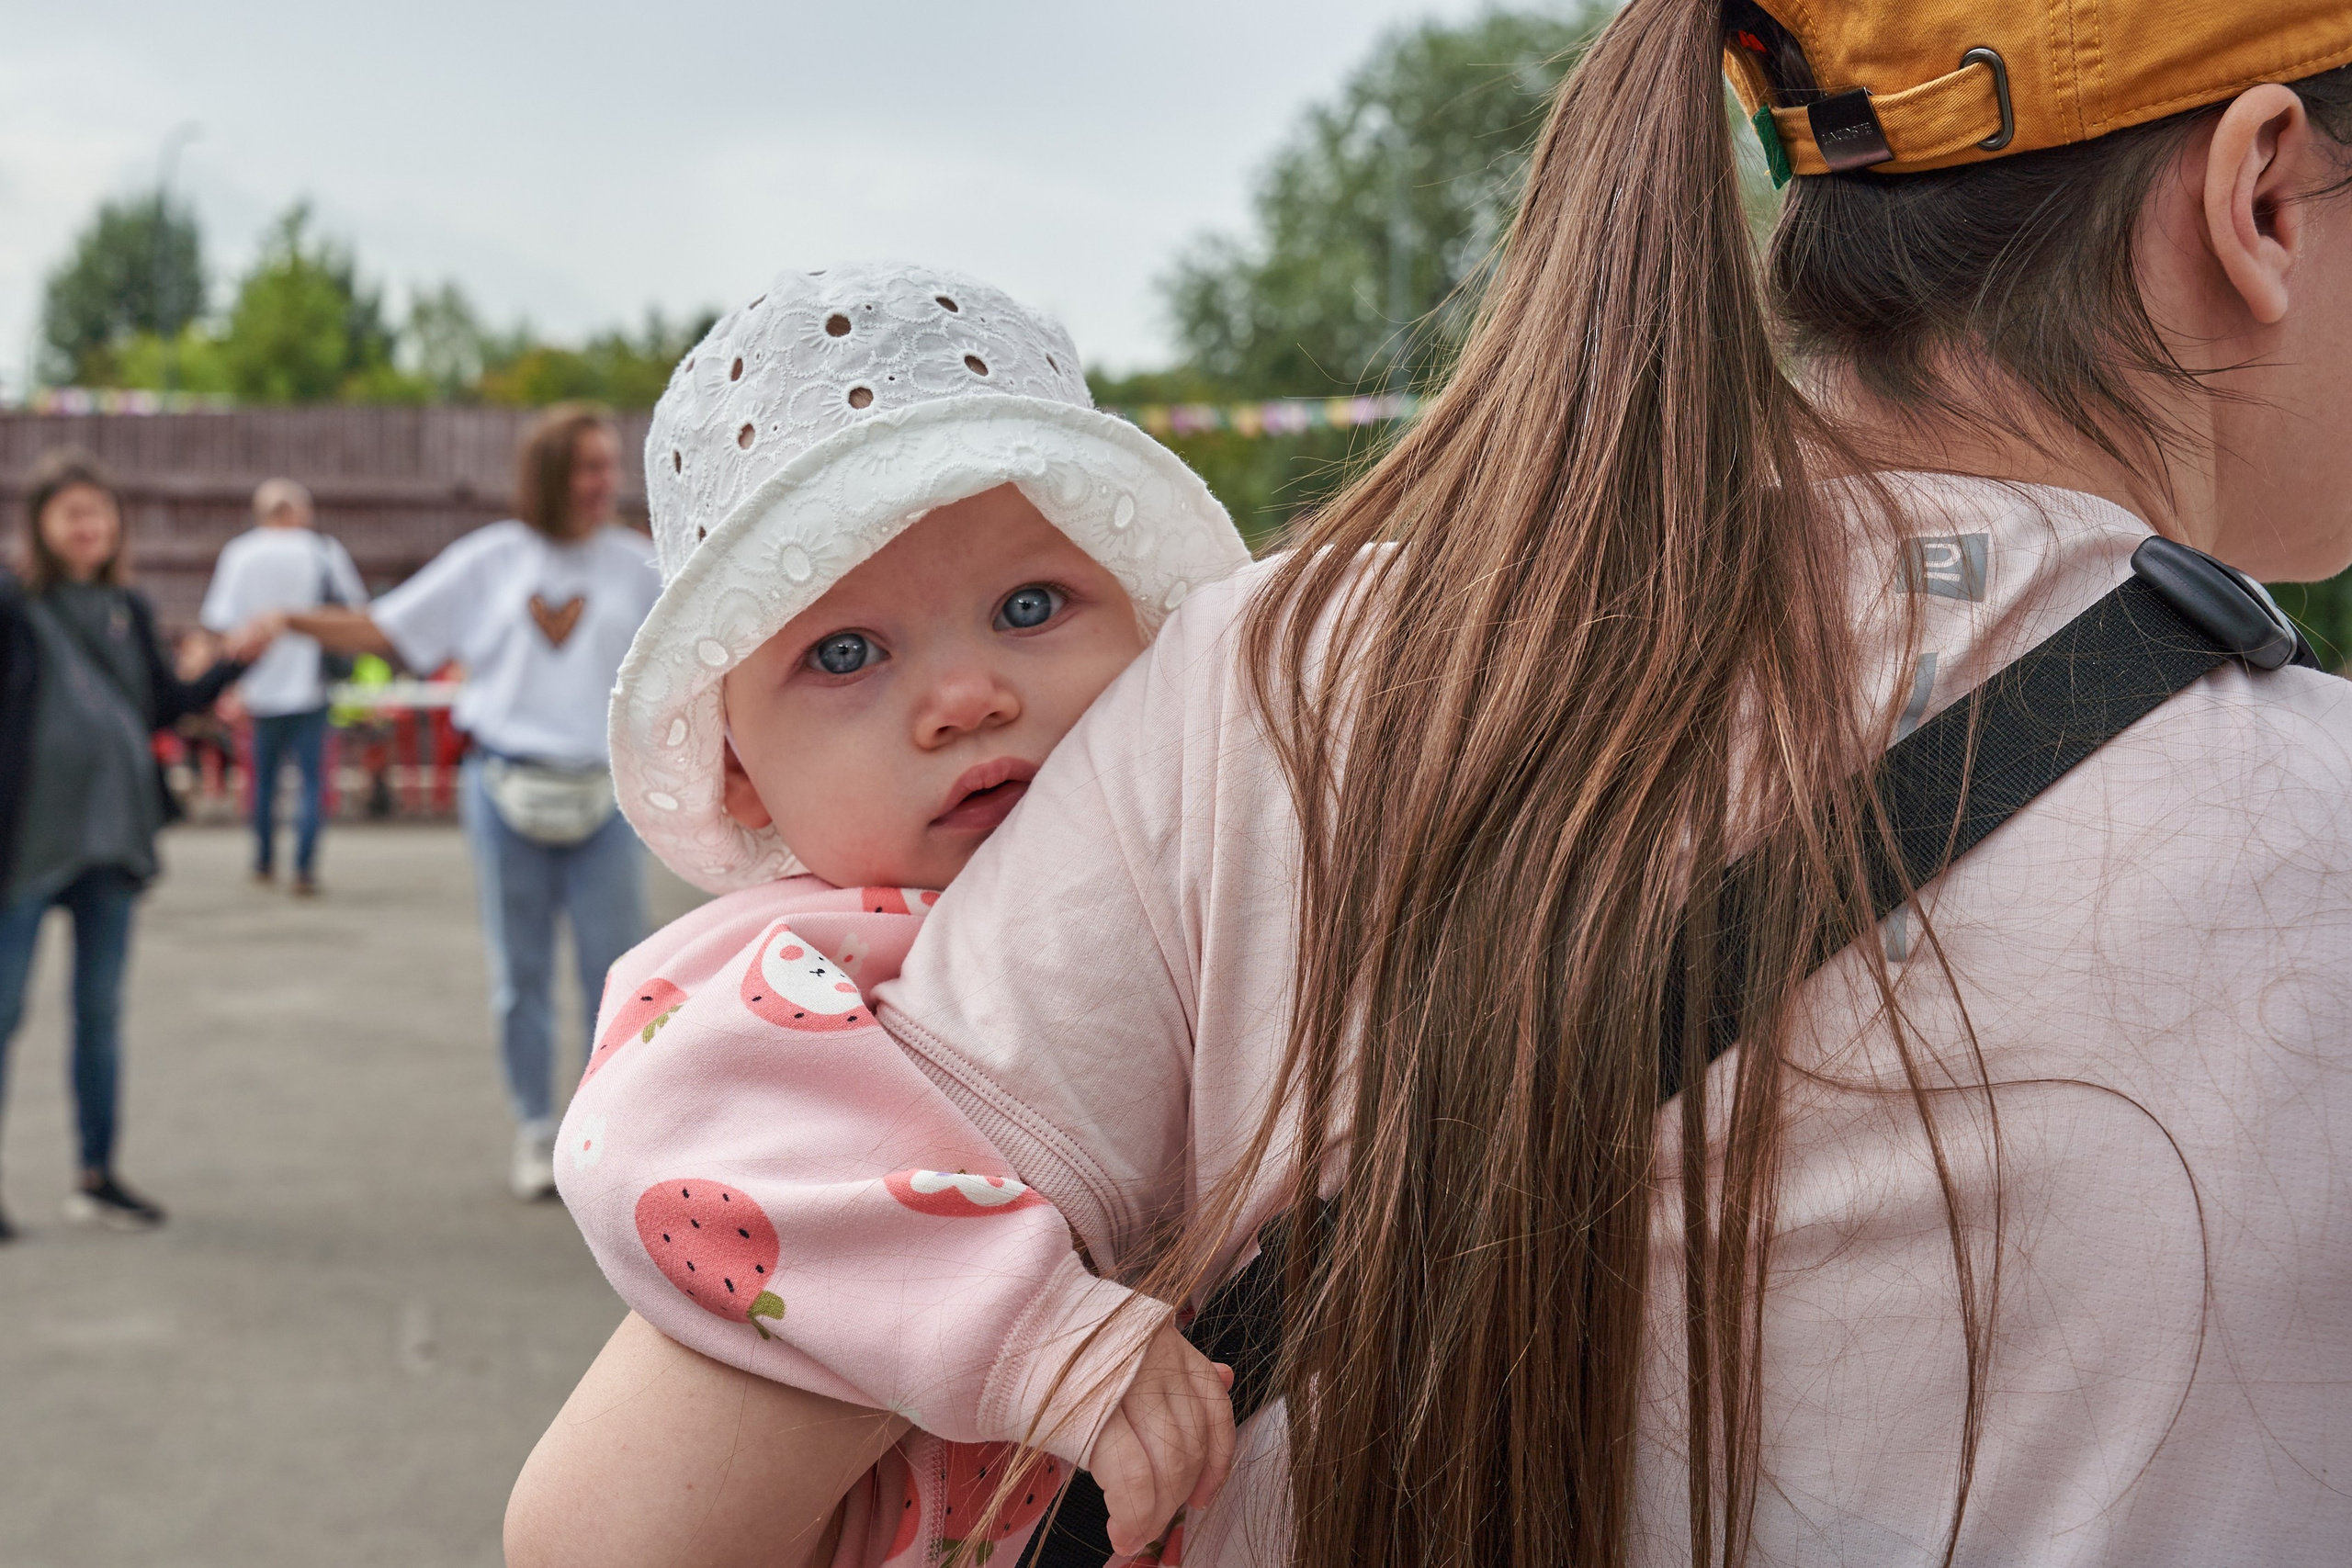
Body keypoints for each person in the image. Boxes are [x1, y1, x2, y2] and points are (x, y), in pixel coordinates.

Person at [515, 5, 2352, 1567]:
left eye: (1021, 600)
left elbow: (615, 1529)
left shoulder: (1264, 677)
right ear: (2257, 191)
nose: (965, 691)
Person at [507, 261, 1245, 1567]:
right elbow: (671, 1151)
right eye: (845, 651)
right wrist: (1039, 1334)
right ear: (739, 769)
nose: (966, 693)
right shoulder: (784, 958)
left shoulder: (1221, 868)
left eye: (1032, 605)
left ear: (1149, 632)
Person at [255, 405, 660, 1200]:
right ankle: (537, 1127)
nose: (604, 482)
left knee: (620, 975)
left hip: (605, 793)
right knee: (521, 973)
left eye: (610, 465)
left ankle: (610, 1133)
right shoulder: (491, 561)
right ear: (547, 474)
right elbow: (385, 629)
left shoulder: (638, 565)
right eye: (587, 466)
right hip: (503, 785)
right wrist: (290, 621)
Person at [0, 450, 251, 1239]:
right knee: (3, 1014)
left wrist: (236, 659)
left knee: (98, 1016)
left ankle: (98, 1175)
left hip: (112, 840)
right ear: (40, 523)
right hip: (25, 847)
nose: (88, 526)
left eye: (99, 513)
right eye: (71, 512)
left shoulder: (128, 607)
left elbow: (164, 704)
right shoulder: (11, 604)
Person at [198, 477, 368, 896]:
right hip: (311, 684)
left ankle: (263, 861)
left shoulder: (240, 553)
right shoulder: (322, 550)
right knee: (312, 780)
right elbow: (355, 609)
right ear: (300, 511)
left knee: (263, 780)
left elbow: (220, 619)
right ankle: (305, 868)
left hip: (257, 686)